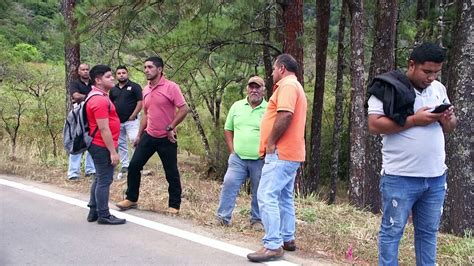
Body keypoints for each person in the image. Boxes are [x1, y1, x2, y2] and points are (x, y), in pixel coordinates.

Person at [367, 42, 457, 265]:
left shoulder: (439, 89)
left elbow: (451, 126)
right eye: (427, 71)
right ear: (411, 65)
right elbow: (374, 125)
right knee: (392, 231)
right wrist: (415, 120)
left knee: (428, 233)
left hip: (435, 177)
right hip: (400, 176)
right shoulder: (388, 87)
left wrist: (448, 120)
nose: (431, 77)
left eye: (436, 72)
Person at [247, 54, 307, 262]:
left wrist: (271, 142)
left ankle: (273, 244)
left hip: (281, 152)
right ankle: (287, 238)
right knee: (284, 196)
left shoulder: (288, 85)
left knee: (266, 195)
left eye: (273, 69)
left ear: (281, 68)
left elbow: (286, 114)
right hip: (291, 152)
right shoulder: (295, 86)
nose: (272, 73)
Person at [116, 56, 189, 215]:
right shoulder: (146, 89)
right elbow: (146, 114)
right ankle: (131, 198)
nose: (146, 70)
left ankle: (174, 206)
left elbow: (184, 109)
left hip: (166, 137)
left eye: (150, 67)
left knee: (171, 172)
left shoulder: (171, 87)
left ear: (160, 69)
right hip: (149, 135)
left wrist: (171, 126)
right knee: (134, 165)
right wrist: (139, 135)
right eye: (145, 67)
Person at [216, 76, 267, 230]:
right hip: (237, 158)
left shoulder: (269, 108)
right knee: (229, 184)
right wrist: (232, 150)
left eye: (257, 87)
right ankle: (223, 217)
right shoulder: (237, 106)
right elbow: (228, 128)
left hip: (260, 159)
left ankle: (257, 220)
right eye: (251, 87)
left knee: (259, 190)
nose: (254, 90)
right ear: (247, 89)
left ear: (263, 90)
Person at [85, 64, 125, 225]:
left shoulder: (99, 95)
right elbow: (103, 128)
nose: (113, 78)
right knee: (105, 180)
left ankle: (93, 210)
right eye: (108, 76)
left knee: (99, 177)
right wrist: (113, 152)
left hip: (99, 144)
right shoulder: (99, 100)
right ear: (98, 80)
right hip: (101, 145)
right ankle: (104, 215)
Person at [109, 65, 143, 179]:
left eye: (123, 72)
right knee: (121, 144)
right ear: (116, 75)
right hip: (117, 121)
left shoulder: (135, 86)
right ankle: (125, 165)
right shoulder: (113, 89)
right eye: (119, 73)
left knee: (135, 141)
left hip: (131, 121)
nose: (121, 75)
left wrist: (133, 116)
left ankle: (136, 164)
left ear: (127, 74)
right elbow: (111, 104)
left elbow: (140, 102)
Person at [67, 63, 96, 181]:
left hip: (92, 115)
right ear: (79, 72)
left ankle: (90, 170)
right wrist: (90, 96)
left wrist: (84, 97)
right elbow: (75, 96)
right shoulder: (75, 84)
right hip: (78, 116)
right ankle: (73, 173)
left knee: (92, 141)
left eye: (87, 69)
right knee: (77, 141)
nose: (85, 71)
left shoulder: (93, 83)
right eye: (82, 70)